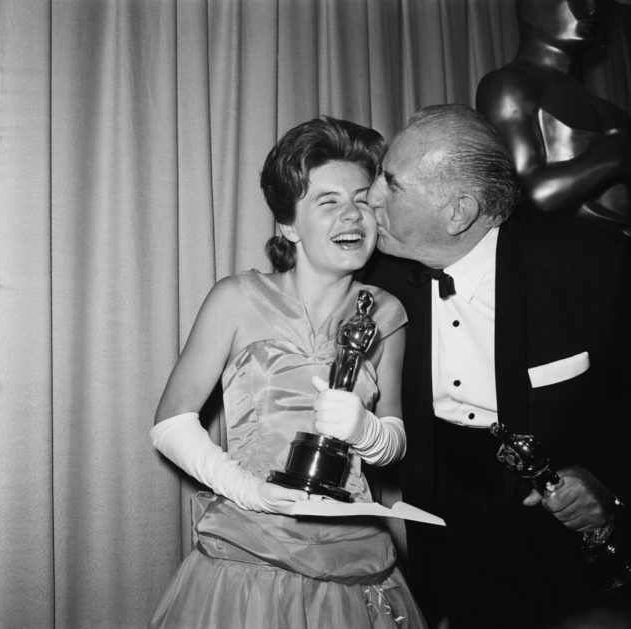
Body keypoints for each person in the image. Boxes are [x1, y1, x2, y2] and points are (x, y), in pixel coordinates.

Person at [148, 116, 427, 629]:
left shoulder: (388, 312)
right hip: (249, 563)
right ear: (288, 225)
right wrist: (247, 488)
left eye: (364, 199)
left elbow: (397, 437)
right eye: (329, 202)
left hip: (356, 568)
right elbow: (170, 424)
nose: (353, 215)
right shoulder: (236, 298)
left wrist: (368, 434)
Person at [365, 103, 631, 629]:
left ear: (458, 212)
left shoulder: (594, 267)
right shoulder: (375, 274)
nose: (370, 197)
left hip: (557, 532)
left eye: (390, 184)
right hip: (440, 514)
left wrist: (609, 484)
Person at [475, 0, 631, 233]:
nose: (591, 11)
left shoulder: (608, 109)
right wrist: (613, 155)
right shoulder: (509, 85)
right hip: (572, 255)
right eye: (576, 2)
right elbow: (528, 195)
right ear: (532, 8)